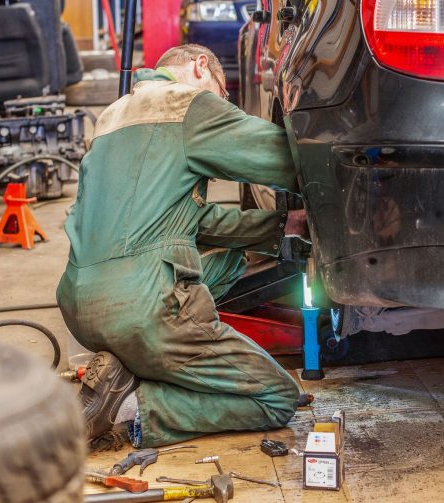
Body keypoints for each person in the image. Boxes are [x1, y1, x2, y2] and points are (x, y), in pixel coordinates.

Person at [56, 44, 303, 448]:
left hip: (79, 308)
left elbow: (194, 219)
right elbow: (290, 160)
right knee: (277, 397)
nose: (222, 104)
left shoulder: (112, 115)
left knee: (229, 262)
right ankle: (136, 406)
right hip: (143, 307)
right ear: (200, 66)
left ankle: (127, 363)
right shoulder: (187, 104)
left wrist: (282, 226)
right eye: (223, 94)